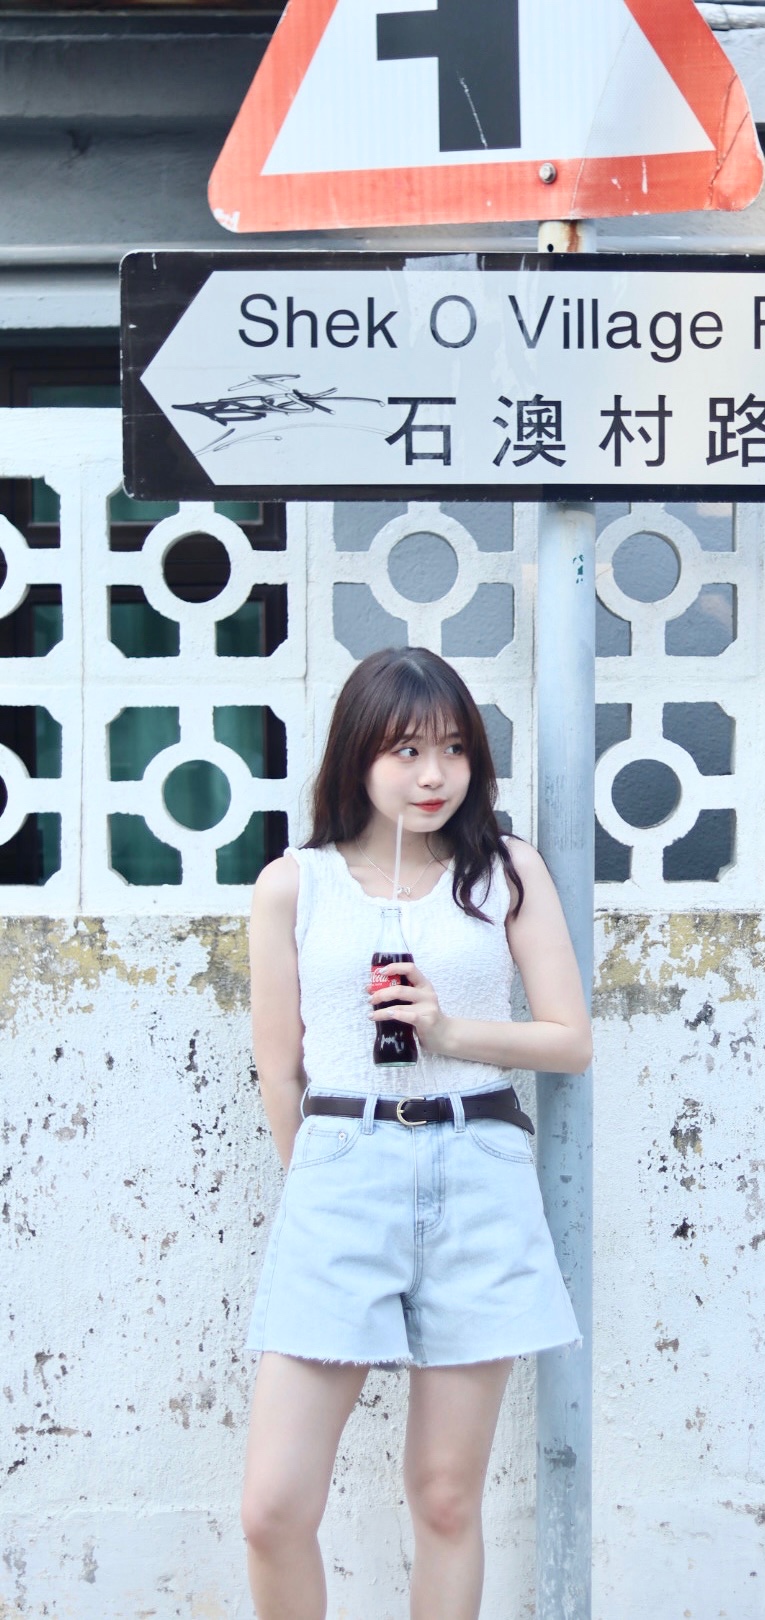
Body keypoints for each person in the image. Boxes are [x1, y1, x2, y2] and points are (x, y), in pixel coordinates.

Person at [241, 646, 591, 1620]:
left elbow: (569, 1040)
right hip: (341, 1169)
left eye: (454, 749)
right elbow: (281, 1068)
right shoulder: (295, 884)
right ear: (357, 755)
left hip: (478, 1167)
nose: (434, 775)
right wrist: (322, 1177)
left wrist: (447, 1031)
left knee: (443, 1497)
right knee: (273, 1508)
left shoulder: (505, 872)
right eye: (406, 751)